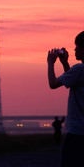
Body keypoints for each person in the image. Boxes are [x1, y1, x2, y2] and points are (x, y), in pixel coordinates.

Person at [48, 30, 84, 166]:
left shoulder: (79, 69)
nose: (75, 49)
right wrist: (65, 63)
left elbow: (53, 84)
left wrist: (50, 63)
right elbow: (72, 81)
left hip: (76, 132)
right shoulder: (78, 71)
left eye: (78, 46)